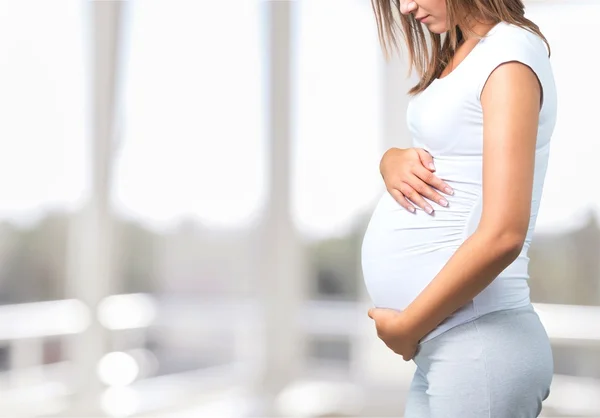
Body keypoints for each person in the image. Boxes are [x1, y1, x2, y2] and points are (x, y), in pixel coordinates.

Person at [362, 0, 556, 417]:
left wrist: (407, 327)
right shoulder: (468, 51)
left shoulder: (510, 55)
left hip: (479, 342)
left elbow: (503, 235)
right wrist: (391, 159)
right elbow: (453, 158)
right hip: (450, 342)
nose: (406, 8)